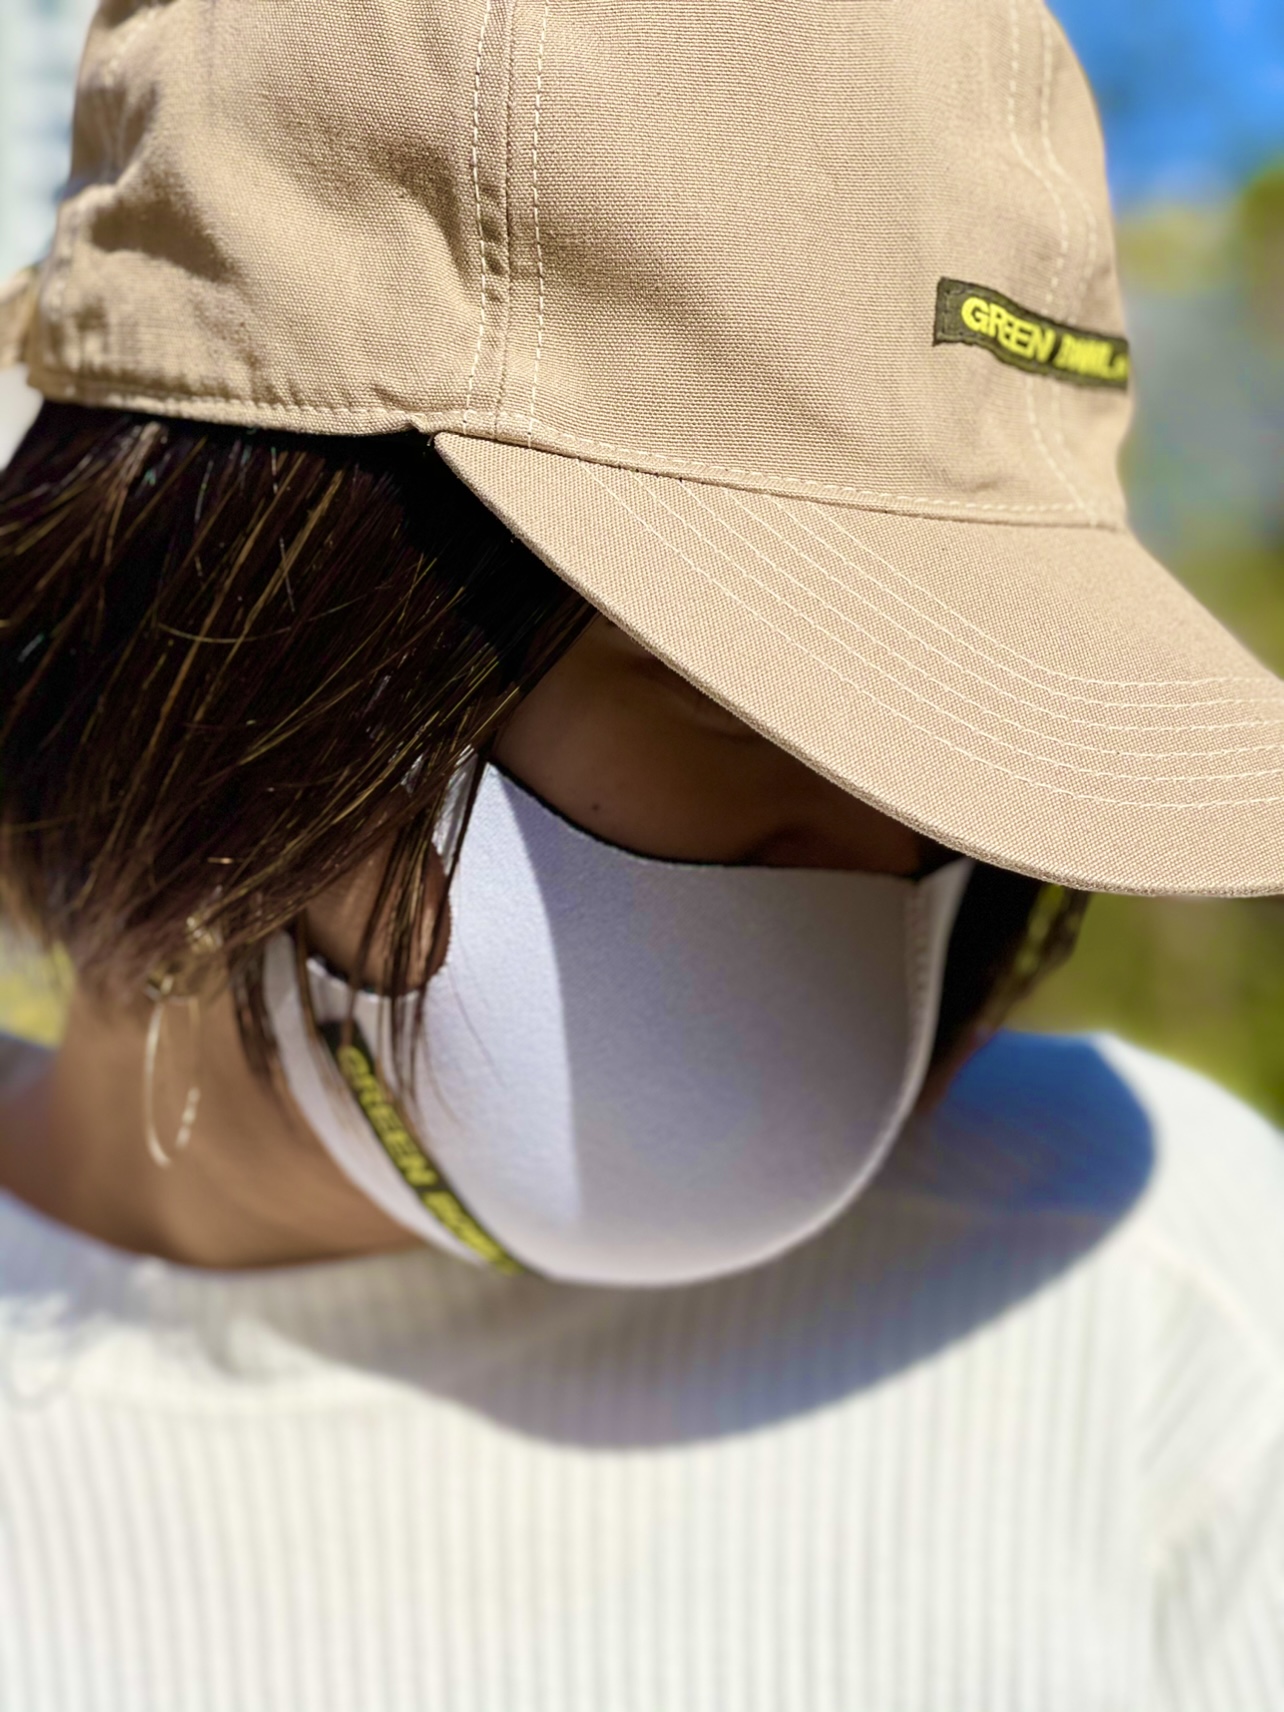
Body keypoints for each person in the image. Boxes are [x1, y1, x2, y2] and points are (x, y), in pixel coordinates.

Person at [0, 0, 1282, 1705]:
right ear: (236, 605)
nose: (902, 838)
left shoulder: (1155, 1292)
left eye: (992, 722)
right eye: (740, 696)